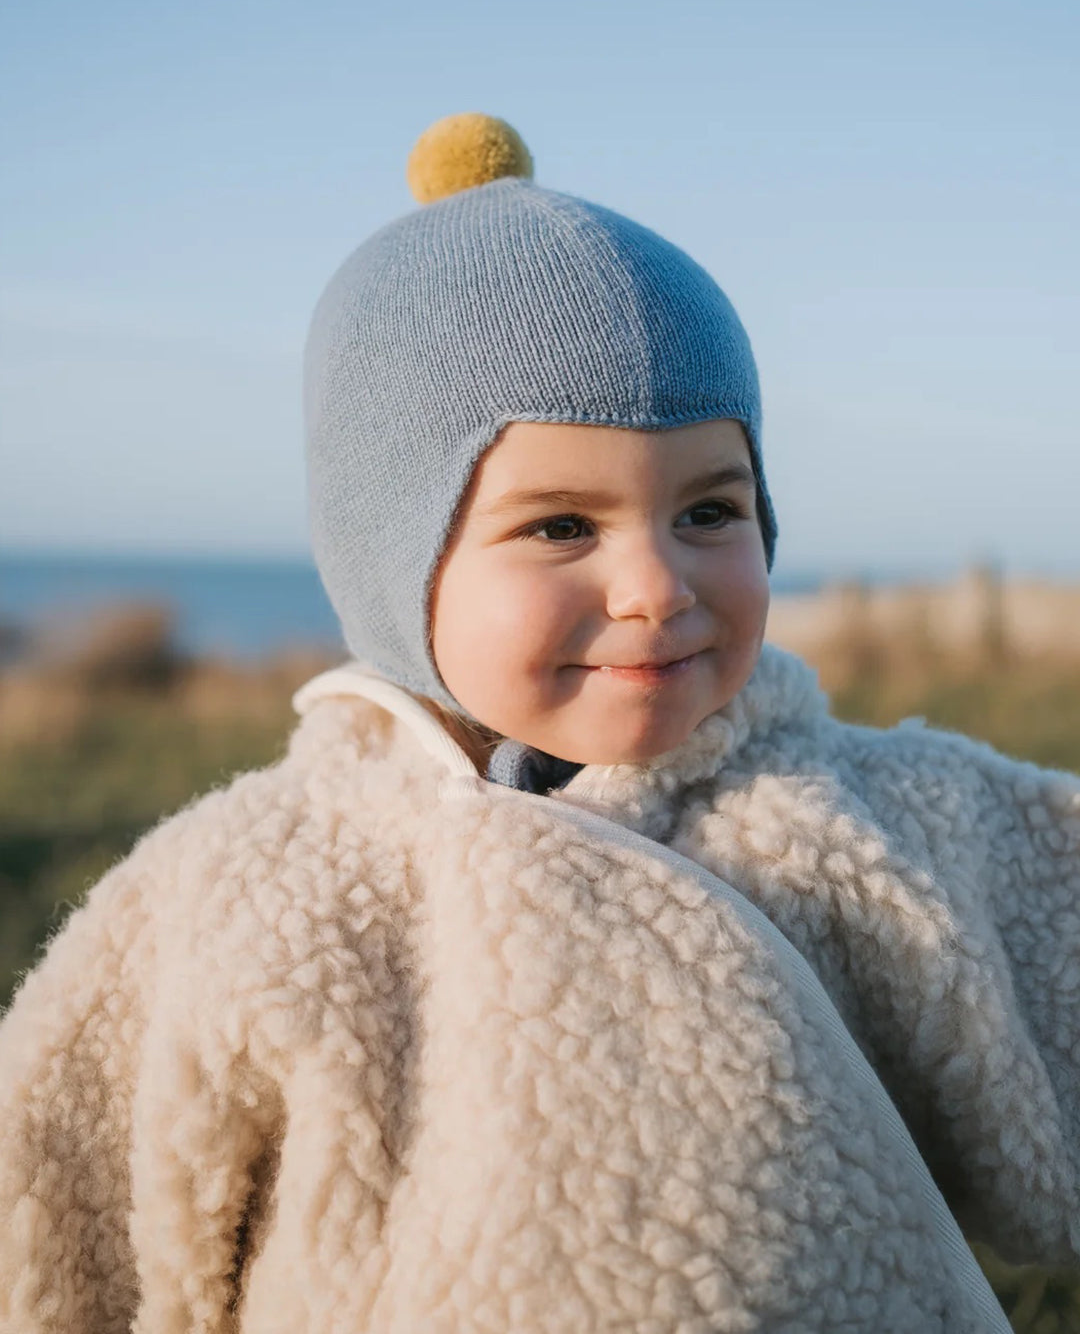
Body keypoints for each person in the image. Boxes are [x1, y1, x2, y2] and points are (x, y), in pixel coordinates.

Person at [0, 112, 1076, 1334]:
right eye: (562, 526)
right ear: (392, 564)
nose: (658, 587)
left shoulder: (881, 816)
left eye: (712, 511)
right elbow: (58, 1226)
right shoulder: (244, 893)